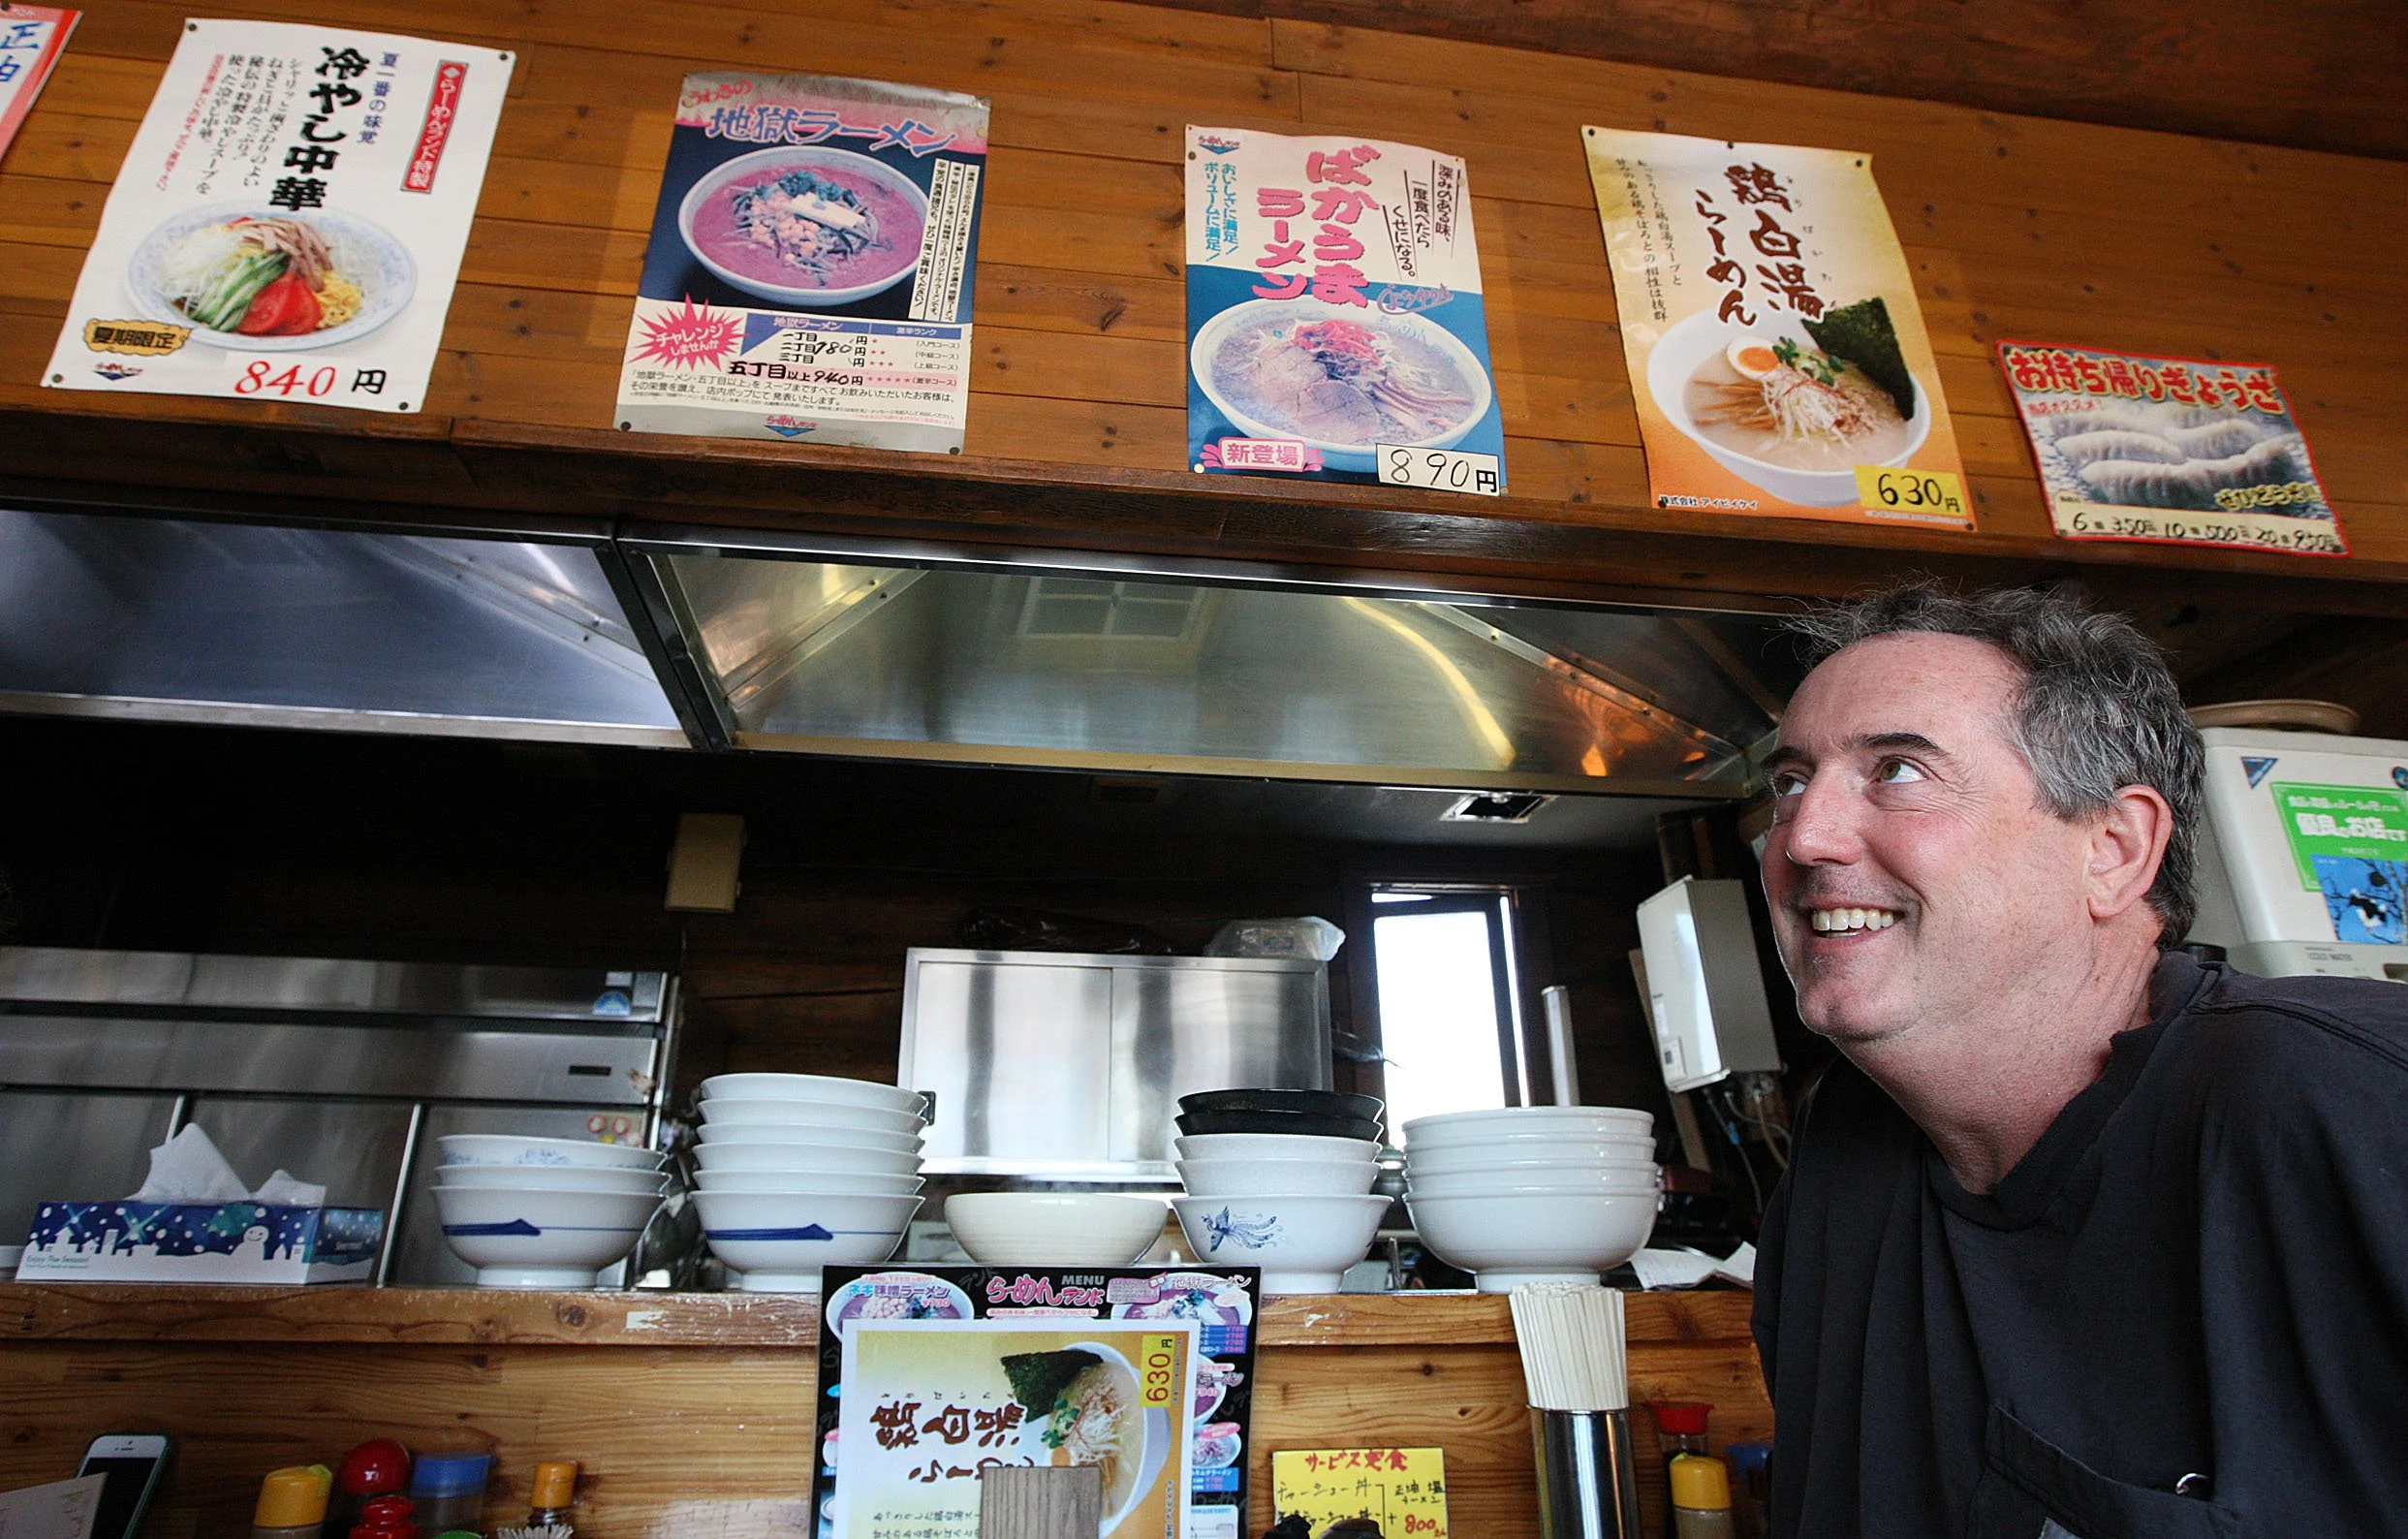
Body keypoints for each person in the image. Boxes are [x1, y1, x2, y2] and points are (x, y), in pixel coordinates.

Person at [1748, 581, 2408, 1538]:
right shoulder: (1839, 1148)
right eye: (1790, 780)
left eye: (1897, 770)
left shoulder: (2344, 1092)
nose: (1802, 836)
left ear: (2112, 846)